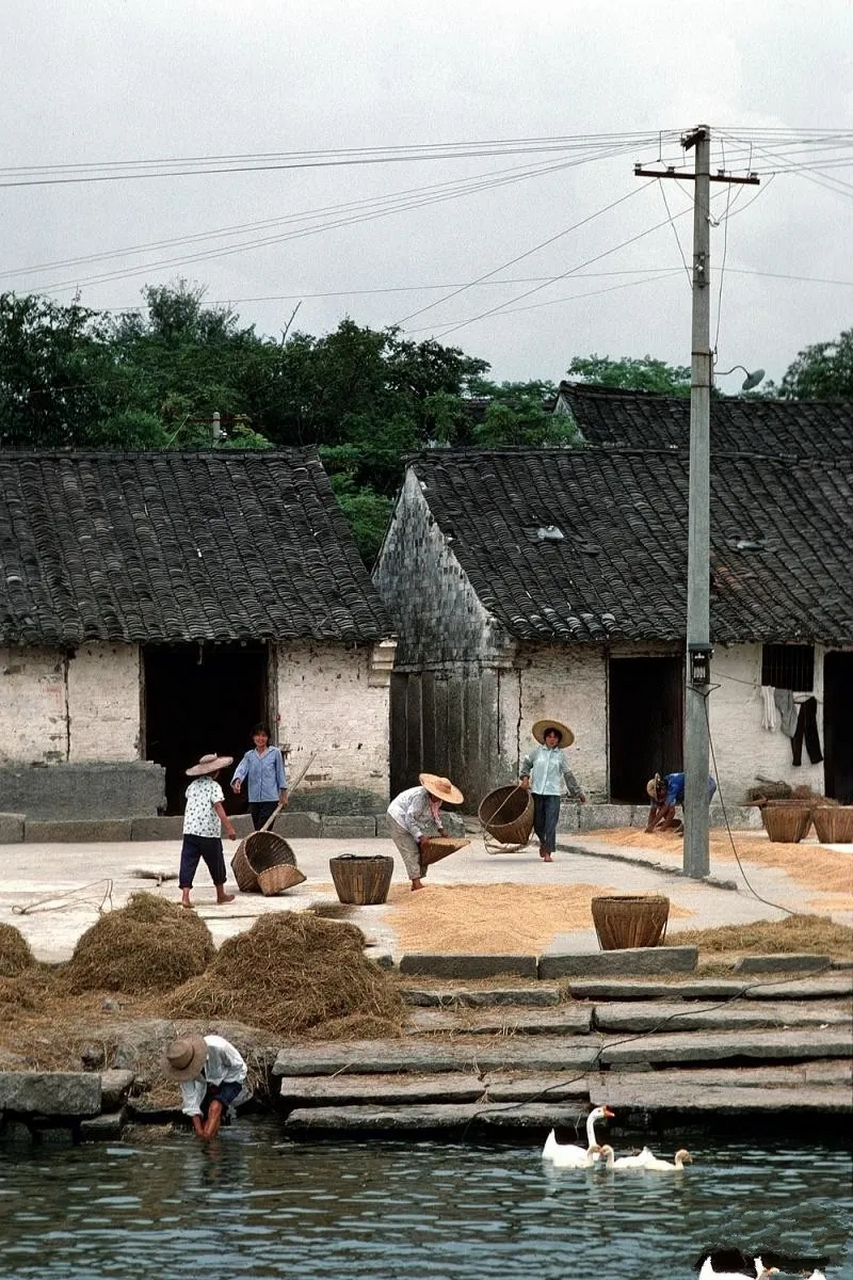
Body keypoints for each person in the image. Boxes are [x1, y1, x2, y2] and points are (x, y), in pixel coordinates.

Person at [518, 719, 585, 862]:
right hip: (537, 793)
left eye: (555, 737)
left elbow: (568, 775)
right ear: (545, 738)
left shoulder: (560, 756)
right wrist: (525, 778)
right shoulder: (537, 752)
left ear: (559, 739)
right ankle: (543, 842)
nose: (552, 739)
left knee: (550, 824)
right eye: (549, 736)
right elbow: (526, 764)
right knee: (538, 824)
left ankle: (548, 852)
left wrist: (578, 792)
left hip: (553, 794)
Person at [163, 1033, 250, 1139]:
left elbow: (238, 1066)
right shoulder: (181, 1064)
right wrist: (200, 1132)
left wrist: (219, 1091)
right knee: (206, 1121)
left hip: (232, 1077)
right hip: (207, 1083)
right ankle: (211, 1147)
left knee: (215, 1107)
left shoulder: (218, 1047)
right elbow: (190, 1100)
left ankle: (209, 1140)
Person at [387, 773, 464, 891]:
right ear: (432, 792)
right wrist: (420, 836)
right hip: (398, 818)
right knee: (411, 850)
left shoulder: (438, 800)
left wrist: (440, 828)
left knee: (424, 849)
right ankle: (416, 883)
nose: (439, 799)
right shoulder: (420, 797)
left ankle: (417, 880)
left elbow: (435, 813)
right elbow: (409, 818)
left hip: (411, 821)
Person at [179, 753, 238, 908]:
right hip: (208, 833)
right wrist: (229, 828)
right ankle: (220, 894)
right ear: (216, 772)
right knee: (216, 862)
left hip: (190, 831)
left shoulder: (192, 786)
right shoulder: (214, 786)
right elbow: (218, 806)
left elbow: (189, 798)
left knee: (187, 862)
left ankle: (185, 896)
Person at [231, 723, 288, 830]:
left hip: (271, 799)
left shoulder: (275, 753)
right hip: (254, 799)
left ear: (268, 738)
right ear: (253, 737)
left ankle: (261, 846)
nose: (260, 738)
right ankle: (263, 847)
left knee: (263, 829)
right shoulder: (249, 756)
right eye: (258, 735)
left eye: (264, 736)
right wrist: (237, 781)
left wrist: (283, 794)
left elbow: (281, 774)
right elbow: (241, 769)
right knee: (258, 829)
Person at [645, 771, 717, 833]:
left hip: (706, 784)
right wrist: (649, 827)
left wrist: (659, 829)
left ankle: (697, 833)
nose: (660, 798)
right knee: (685, 804)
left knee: (698, 809)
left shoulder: (673, 784)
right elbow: (653, 811)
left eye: (660, 796)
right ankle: (688, 828)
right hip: (690, 791)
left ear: (662, 788)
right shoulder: (663, 790)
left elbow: (669, 810)